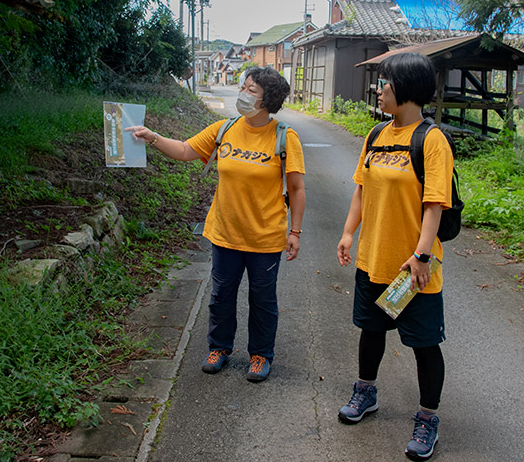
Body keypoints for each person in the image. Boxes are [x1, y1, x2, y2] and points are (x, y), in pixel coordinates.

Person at [127, 66, 305, 382]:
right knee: (221, 295)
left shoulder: (284, 138)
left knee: (263, 300)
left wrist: (295, 231)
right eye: (244, 86)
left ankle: (261, 355)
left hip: (264, 237)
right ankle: (219, 348)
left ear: (268, 101)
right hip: (224, 233)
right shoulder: (225, 129)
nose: (243, 93)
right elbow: (184, 150)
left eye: (251, 90)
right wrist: (152, 137)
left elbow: (296, 188)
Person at [336, 53, 453, 461]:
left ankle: (427, 418)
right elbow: (362, 189)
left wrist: (421, 255)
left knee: (423, 344)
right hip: (374, 259)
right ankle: (366, 392)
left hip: (413, 269)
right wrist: (350, 233)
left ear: (404, 89)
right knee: (371, 331)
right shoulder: (375, 135)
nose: (379, 90)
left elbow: (434, 205)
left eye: (385, 84)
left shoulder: (431, 140)